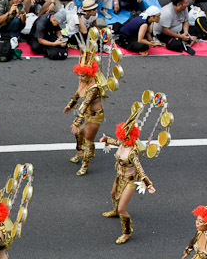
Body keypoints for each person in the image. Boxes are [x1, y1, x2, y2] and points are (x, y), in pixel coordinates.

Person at [99, 114, 156, 244]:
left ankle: (127, 232)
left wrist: (148, 185)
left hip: (130, 180)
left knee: (122, 209)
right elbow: (115, 142)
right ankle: (114, 211)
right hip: (120, 176)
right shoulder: (122, 143)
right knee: (113, 193)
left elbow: (140, 169)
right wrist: (106, 139)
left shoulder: (132, 153)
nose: (120, 139)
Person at [63, 49, 104, 176]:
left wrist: (76, 122)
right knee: (78, 134)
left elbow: (85, 104)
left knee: (88, 140)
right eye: (79, 75)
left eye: (83, 76)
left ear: (90, 74)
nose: (80, 78)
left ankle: (85, 165)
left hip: (94, 116)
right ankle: (80, 153)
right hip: (86, 113)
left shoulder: (94, 88)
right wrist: (70, 104)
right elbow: (77, 93)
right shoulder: (83, 81)